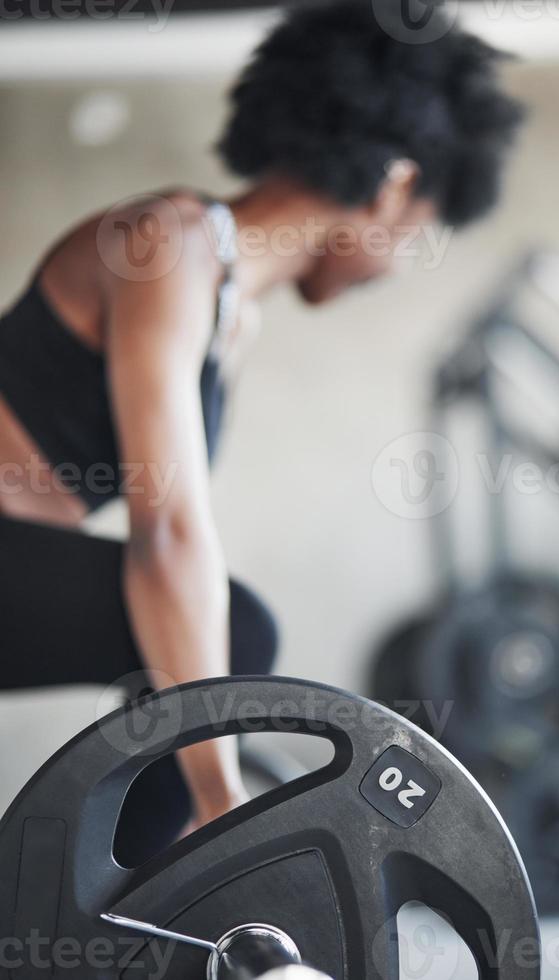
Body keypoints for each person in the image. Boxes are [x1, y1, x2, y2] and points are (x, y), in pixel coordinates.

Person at [0, 0, 523, 862]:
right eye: (420, 228)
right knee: (237, 633)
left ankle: (99, 919)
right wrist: (220, 793)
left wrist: (216, 763)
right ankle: (104, 922)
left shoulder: (226, 310)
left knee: (216, 636)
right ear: (394, 187)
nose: (398, 261)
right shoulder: (168, 247)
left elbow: (178, 555)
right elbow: (165, 535)